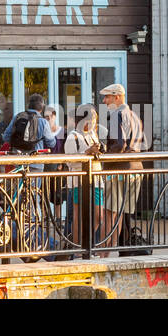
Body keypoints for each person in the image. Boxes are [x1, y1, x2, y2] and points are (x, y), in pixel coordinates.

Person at [99, 83, 147, 253]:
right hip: (135, 170)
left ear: (117, 97)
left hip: (118, 169)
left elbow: (119, 145)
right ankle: (112, 250)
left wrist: (103, 152)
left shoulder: (116, 115)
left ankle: (103, 252)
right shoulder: (135, 116)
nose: (104, 101)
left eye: (107, 97)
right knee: (120, 214)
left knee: (110, 213)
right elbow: (143, 145)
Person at [65, 103, 106, 249]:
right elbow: (69, 161)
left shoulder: (93, 135)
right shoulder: (73, 136)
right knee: (78, 214)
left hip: (95, 179)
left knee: (98, 216)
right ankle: (78, 248)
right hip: (79, 181)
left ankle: (86, 243)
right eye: (92, 118)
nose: (94, 121)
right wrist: (86, 153)